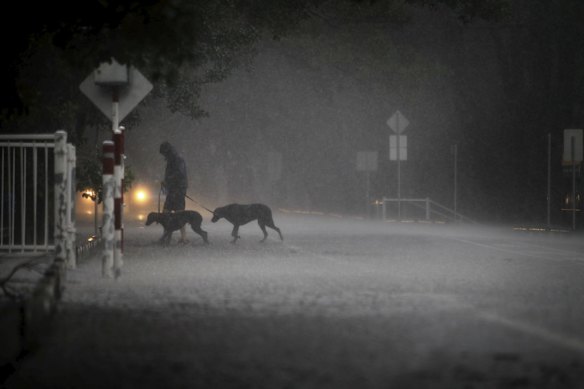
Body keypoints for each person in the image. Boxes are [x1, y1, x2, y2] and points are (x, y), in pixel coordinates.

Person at [159, 141, 189, 243]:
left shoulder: (176, 159)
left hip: (178, 189)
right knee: (172, 211)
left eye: (163, 153)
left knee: (177, 212)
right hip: (175, 189)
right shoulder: (174, 159)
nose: (163, 156)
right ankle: (172, 236)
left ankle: (181, 237)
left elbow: (179, 174)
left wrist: (167, 180)